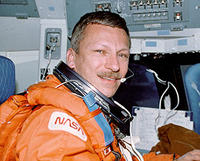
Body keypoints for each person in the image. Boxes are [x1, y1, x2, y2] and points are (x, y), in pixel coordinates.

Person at [1, 11, 200, 161]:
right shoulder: (55, 126)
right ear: (72, 58)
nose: (114, 66)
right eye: (100, 51)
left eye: (122, 55)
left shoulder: (87, 109)